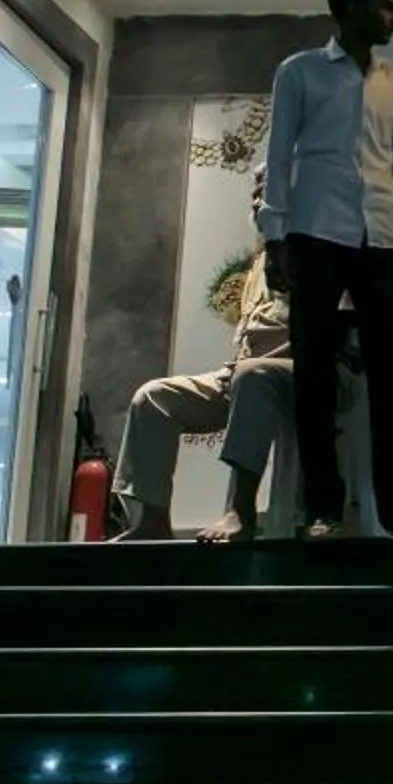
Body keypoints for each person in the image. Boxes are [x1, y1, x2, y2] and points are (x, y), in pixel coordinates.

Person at [261, 0, 393, 540]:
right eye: (386, 5)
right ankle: (322, 509)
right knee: (314, 374)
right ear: (353, 6)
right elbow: (278, 158)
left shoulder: (392, 79)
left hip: (382, 234)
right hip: (315, 233)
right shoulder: (300, 73)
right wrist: (274, 236)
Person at [110, 178, 295, 544]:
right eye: (255, 197)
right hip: (241, 373)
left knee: (252, 375)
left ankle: (238, 511)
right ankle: (152, 520)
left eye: (267, 195)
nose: (259, 204)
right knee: (153, 398)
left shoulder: (306, 249)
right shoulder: (260, 259)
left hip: (297, 370)